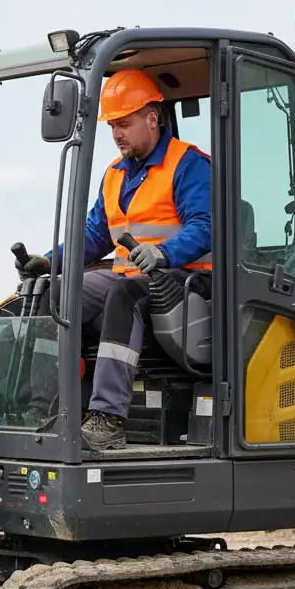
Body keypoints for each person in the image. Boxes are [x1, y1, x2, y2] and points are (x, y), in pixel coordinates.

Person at [17, 69, 212, 451]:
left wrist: (162, 253)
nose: (117, 134)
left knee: (124, 295)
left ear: (152, 118)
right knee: (54, 293)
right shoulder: (115, 174)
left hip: (184, 278)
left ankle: (108, 417)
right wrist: (52, 262)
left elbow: (205, 226)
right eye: (112, 126)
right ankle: (43, 408)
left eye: (124, 123)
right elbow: (95, 235)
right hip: (131, 273)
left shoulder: (188, 164)